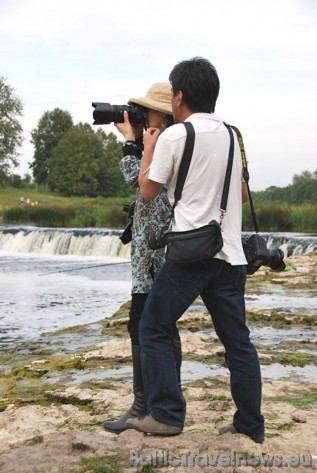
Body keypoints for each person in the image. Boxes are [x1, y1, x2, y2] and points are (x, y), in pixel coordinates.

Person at [127, 57, 265, 443]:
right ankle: (250, 424)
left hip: (189, 254)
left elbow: (148, 191)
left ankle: (167, 414)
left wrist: (150, 146)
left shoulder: (175, 135)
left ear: (180, 95)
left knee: (152, 326)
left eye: (172, 92)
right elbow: (240, 192)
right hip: (230, 255)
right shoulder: (233, 135)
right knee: (238, 343)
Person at [102, 83, 182, 433]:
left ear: (161, 116)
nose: (139, 115)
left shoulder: (165, 145)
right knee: (154, 326)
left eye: (145, 111)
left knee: (145, 325)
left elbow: (139, 183)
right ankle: (155, 402)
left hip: (154, 252)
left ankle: (146, 405)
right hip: (149, 251)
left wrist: (133, 143)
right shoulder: (163, 142)